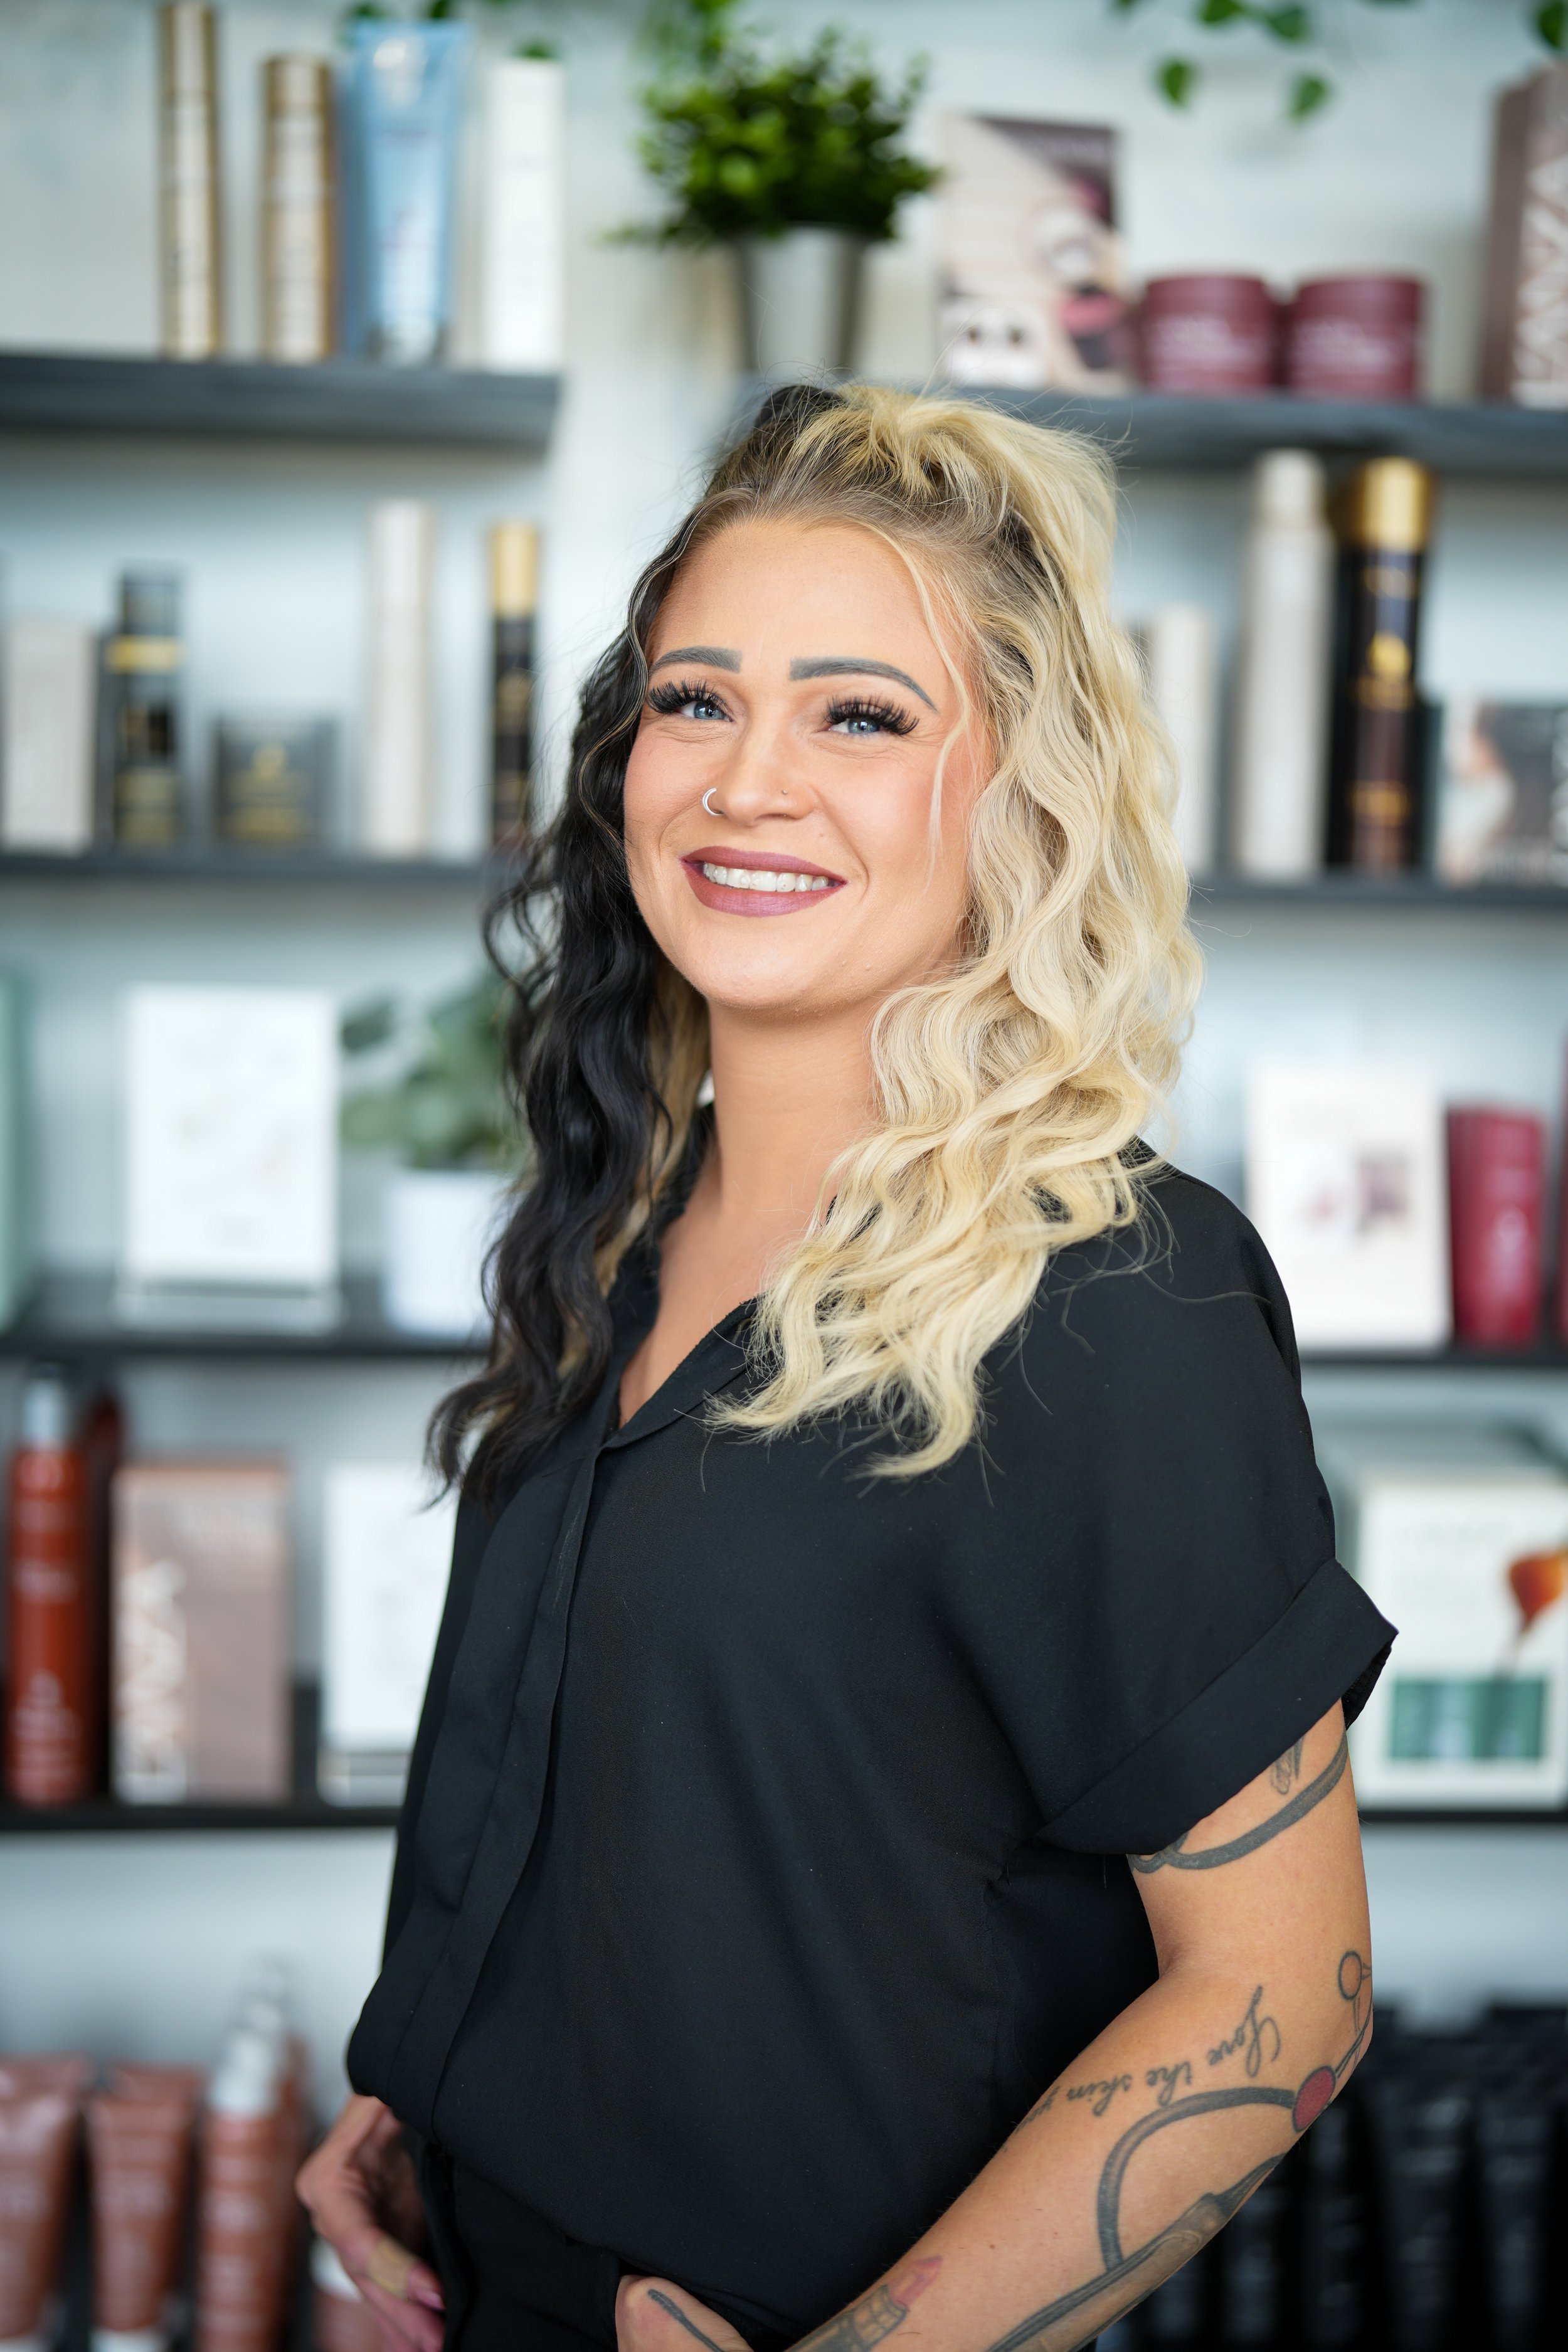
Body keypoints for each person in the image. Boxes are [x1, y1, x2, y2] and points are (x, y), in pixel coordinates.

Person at [298, 384, 1393, 2352]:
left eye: (861, 718)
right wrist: (435, 2080)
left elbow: (1276, 1993)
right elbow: (690, 1794)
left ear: (1014, 794)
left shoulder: (1111, 1299)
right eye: (697, 700)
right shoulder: (616, 1228)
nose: (745, 782)